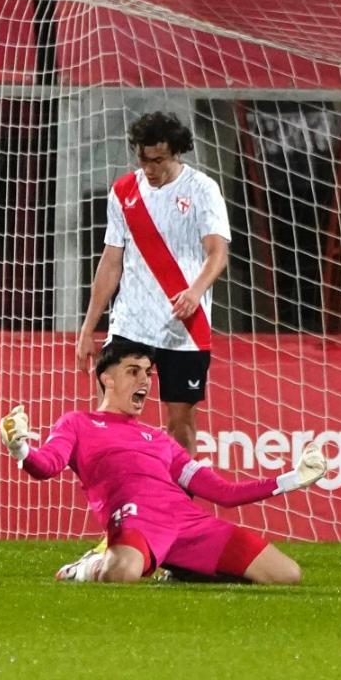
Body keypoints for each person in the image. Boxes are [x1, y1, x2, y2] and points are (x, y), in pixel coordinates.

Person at [1, 340, 325, 584]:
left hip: (186, 524)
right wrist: (21, 449)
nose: (144, 380)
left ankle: (184, 566)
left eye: (147, 373)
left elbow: (224, 493)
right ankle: (84, 568)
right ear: (107, 379)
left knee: (287, 574)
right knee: (122, 573)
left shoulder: (159, 439)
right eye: (133, 371)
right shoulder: (77, 423)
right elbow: (47, 466)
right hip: (136, 522)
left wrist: (294, 478)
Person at [75, 112, 230, 454]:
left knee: (180, 425)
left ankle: (176, 506)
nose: (150, 169)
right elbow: (111, 261)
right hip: (131, 324)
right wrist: (88, 328)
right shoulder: (124, 192)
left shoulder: (202, 190)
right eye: (144, 160)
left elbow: (217, 253)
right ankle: (119, 502)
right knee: (112, 417)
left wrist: (195, 291)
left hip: (184, 327)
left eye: (158, 160)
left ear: (177, 153)